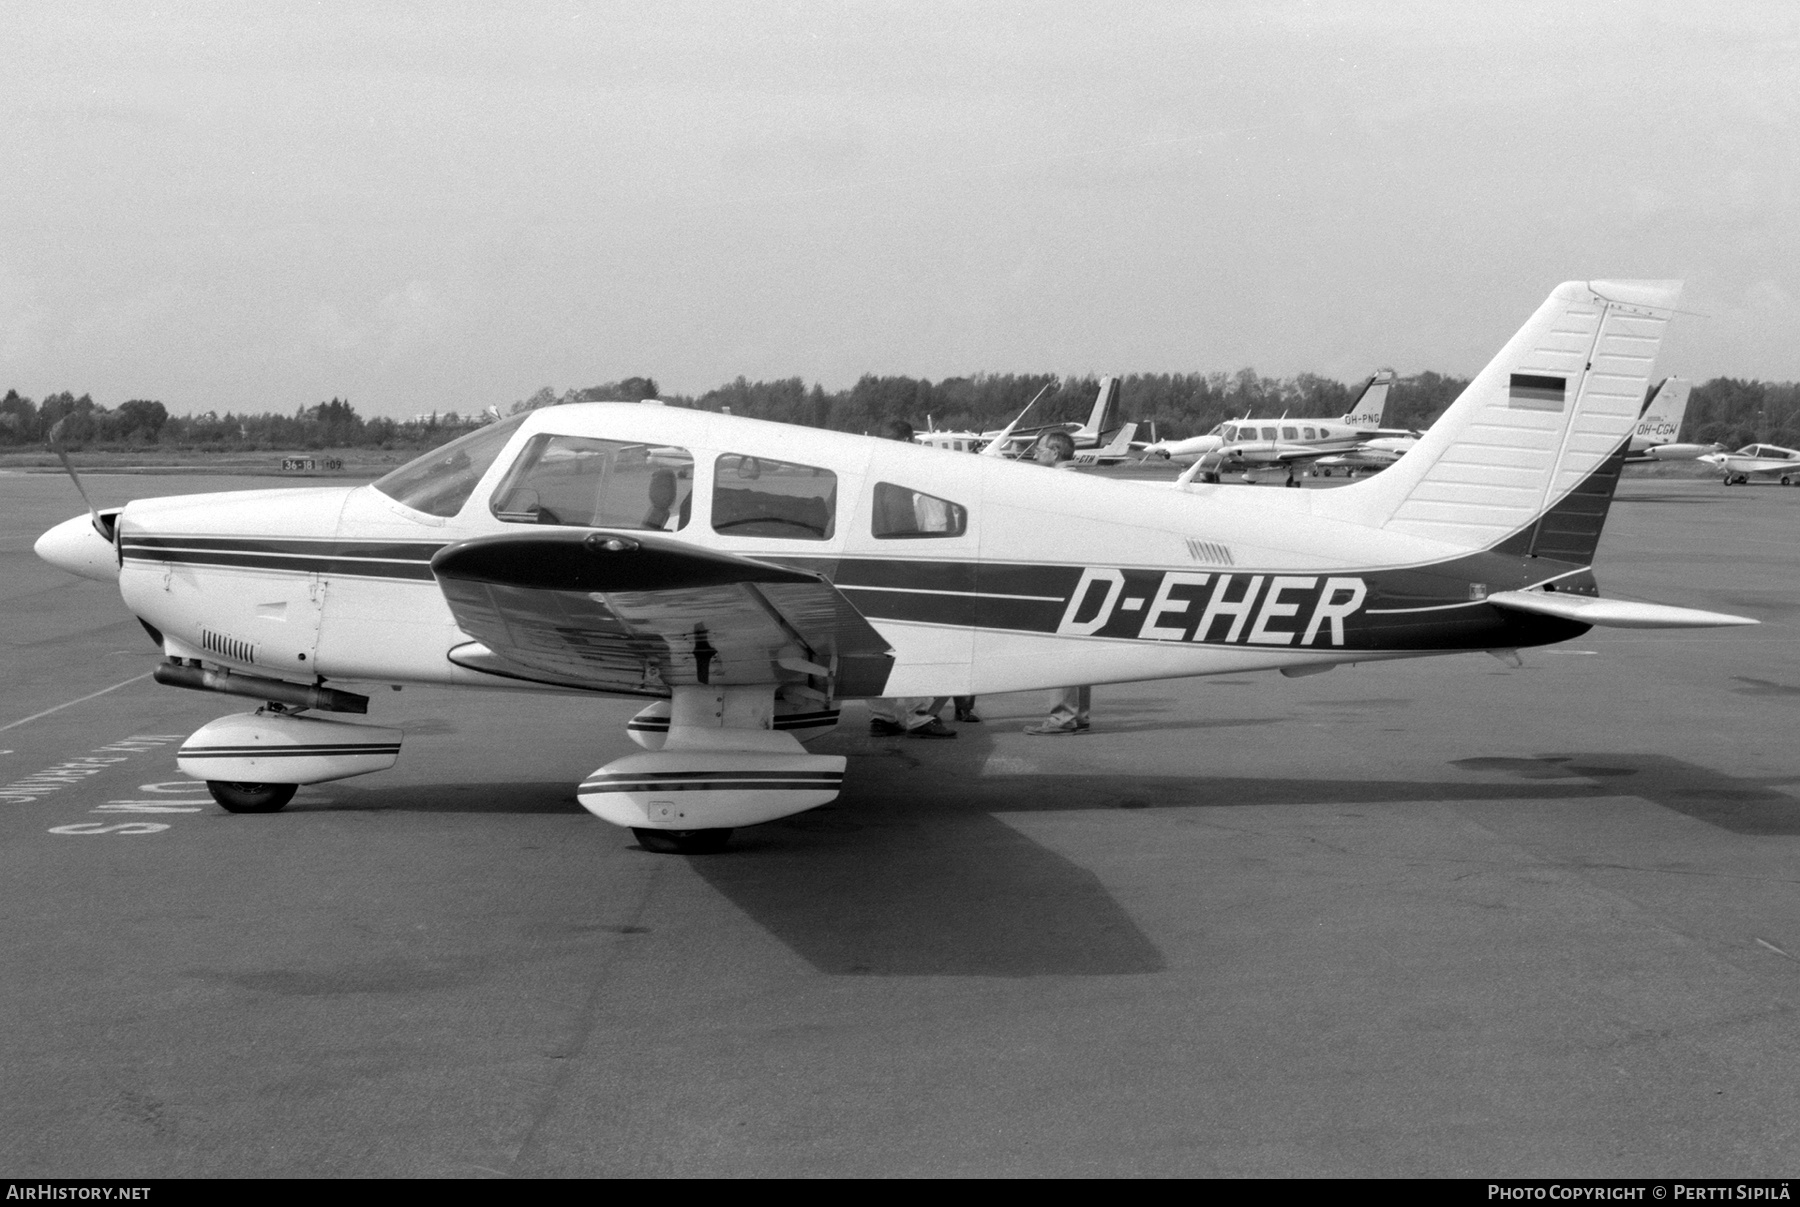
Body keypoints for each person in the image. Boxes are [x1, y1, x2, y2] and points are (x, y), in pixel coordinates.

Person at [869, 417, 956, 738]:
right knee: (915, 643)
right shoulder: (921, 478)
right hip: (910, 575)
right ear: (909, 441)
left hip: (871, 575)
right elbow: (936, 530)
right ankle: (919, 714)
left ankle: (883, 716)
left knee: (876, 646)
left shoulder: (868, 475)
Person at [1023, 428, 1091, 735]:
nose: (1036, 454)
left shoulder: (1052, 484)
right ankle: (1080, 714)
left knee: (1060, 649)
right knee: (1080, 648)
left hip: (1063, 576)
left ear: (1054, 452)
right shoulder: (1087, 482)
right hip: (1086, 573)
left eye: (1039, 450)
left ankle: (1062, 717)